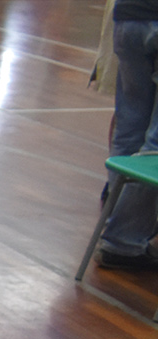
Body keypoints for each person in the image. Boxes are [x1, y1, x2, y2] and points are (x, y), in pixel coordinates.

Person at [97, 0, 158, 270]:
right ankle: (124, 242)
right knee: (155, 144)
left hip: (129, 16)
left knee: (130, 128)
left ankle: (116, 223)